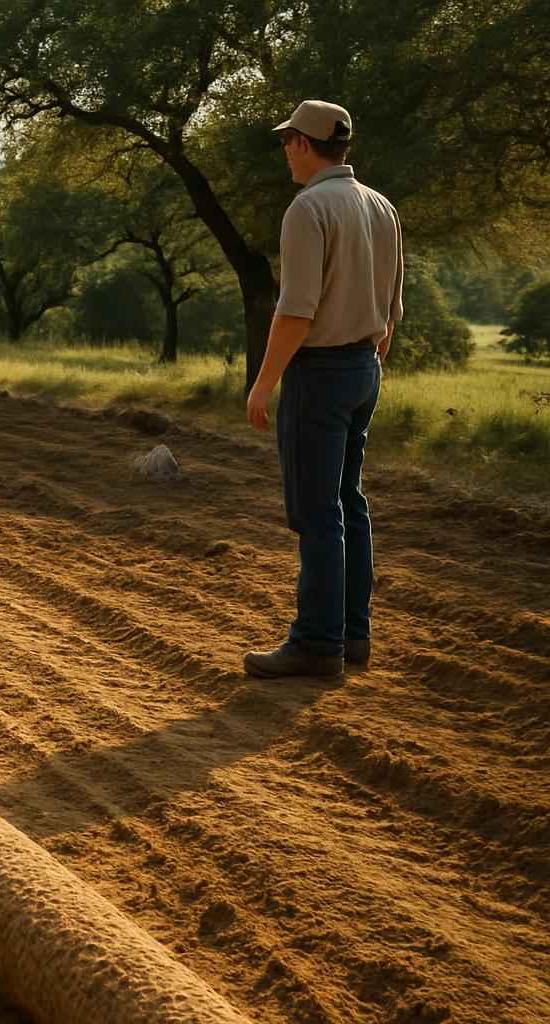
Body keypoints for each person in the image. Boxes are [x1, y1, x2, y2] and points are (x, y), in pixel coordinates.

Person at [244, 100, 404, 678]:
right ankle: (353, 636)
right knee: (348, 503)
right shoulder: (380, 206)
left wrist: (264, 383)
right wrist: (365, 359)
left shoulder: (307, 208)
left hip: (320, 373)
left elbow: (295, 312)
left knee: (316, 514)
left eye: (289, 140)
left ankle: (316, 644)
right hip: (365, 368)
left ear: (306, 145)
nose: (285, 149)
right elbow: (392, 311)